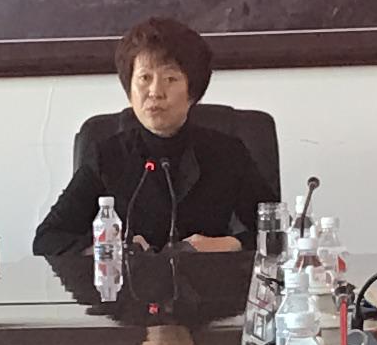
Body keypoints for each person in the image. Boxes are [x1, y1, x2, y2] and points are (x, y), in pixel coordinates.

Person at [32, 16, 263, 255]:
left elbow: (276, 233)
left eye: (170, 79)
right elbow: (48, 239)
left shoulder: (227, 153)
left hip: (208, 278)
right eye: (145, 78)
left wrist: (226, 244)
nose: (155, 92)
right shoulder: (107, 156)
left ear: (192, 92)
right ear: (130, 90)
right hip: (129, 279)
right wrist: (114, 248)